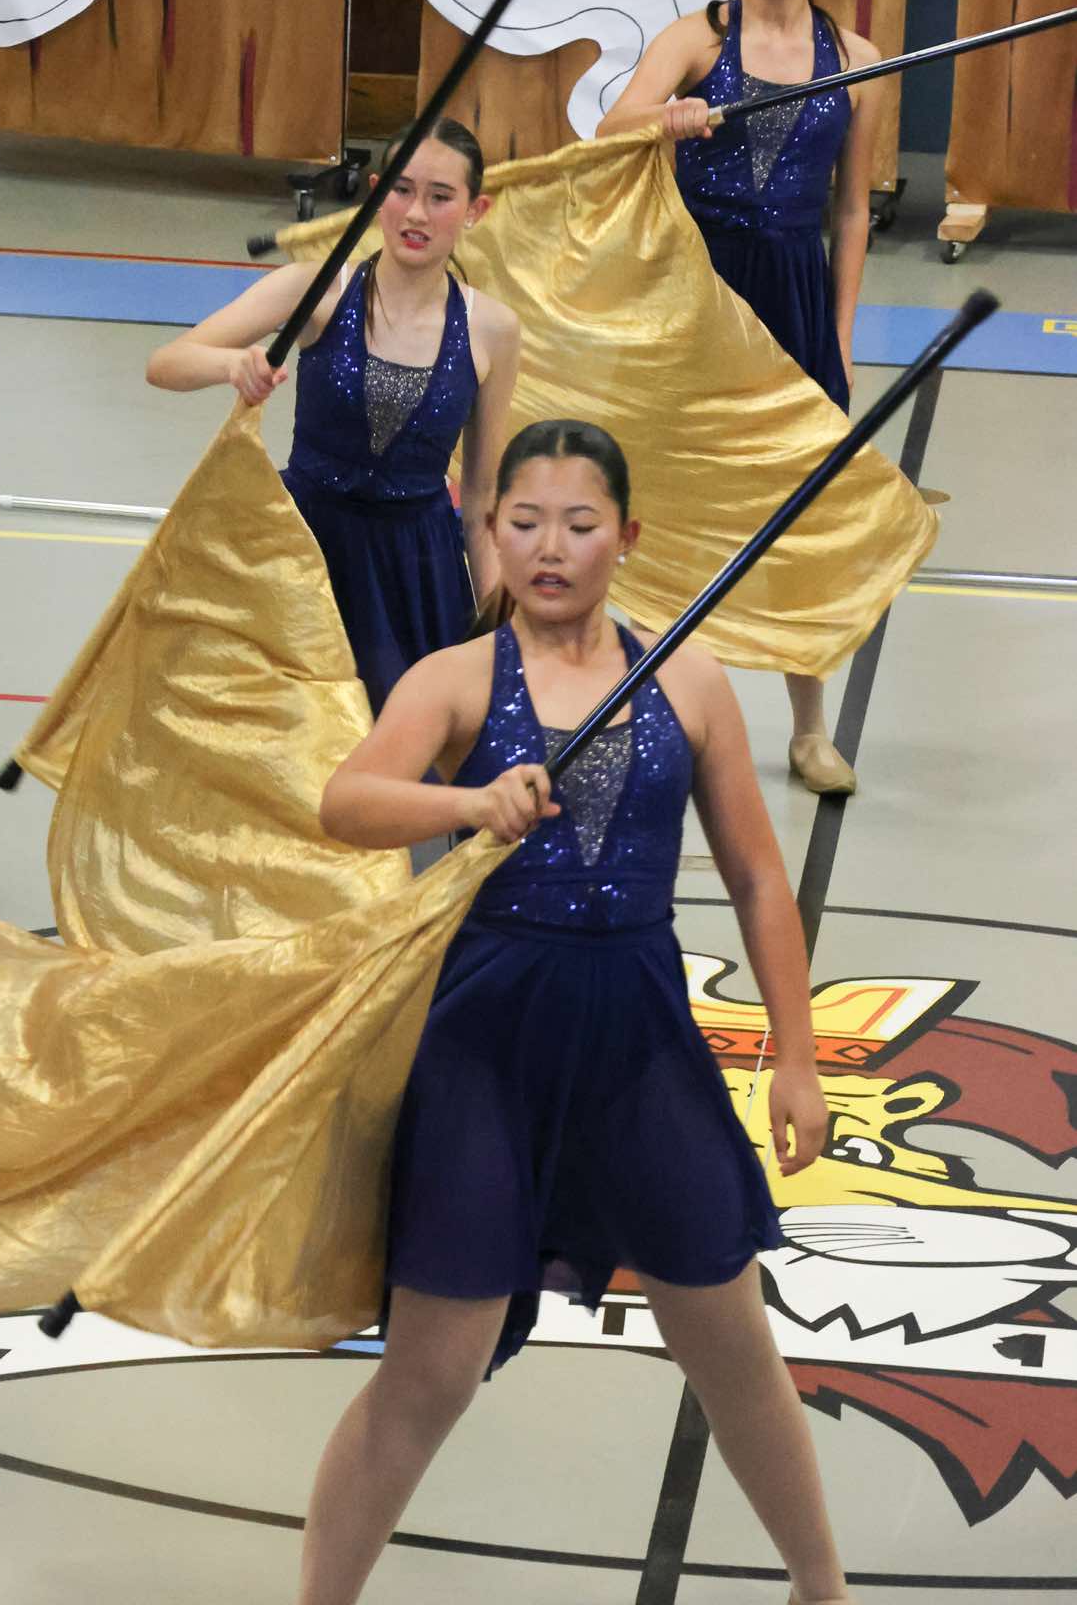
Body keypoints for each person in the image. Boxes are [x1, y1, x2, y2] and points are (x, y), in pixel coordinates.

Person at [302, 419, 851, 1605]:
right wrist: (466, 800)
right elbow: (346, 800)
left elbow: (761, 878)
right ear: (492, 532)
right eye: (525, 521)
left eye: (580, 523)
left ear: (628, 535)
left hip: (638, 1038)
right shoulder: (456, 678)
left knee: (732, 1342)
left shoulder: (691, 681)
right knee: (431, 1371)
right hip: (485, 1041)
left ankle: (823, 1589)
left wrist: (798, 1057)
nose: (550, 547)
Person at [597, 0, 880, 796]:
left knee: (798, 518)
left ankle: (808, 732)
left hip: (793, 302)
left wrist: (839, 335)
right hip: (695, 296)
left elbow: (851, 210)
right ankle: (640, 707)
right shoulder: (694, 38)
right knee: (663, 501)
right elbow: (607, 131)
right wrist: (663, 117)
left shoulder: (860, 62)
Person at [147, 118, 521, 714]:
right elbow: (166, 363)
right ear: (375, 193)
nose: (416, 213)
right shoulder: (316, 290)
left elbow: (480, 504)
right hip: (301, 556)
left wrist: (509, 633)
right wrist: (232, 366)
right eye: (401, 189)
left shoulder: (493, 330)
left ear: (476, 210)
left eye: (440, 197)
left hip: (415, 576)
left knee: (405, 742)